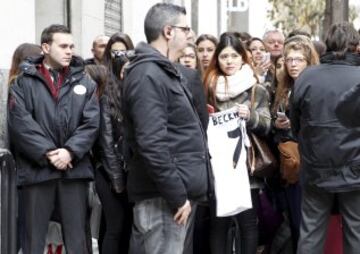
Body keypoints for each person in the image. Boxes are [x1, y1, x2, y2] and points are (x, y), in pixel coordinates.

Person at [122, 3, 210, 254]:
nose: (190, 35)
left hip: (169, 195)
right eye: (186, 29)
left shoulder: (162, 71)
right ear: (169, 31)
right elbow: (152, 142)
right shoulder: (148, 74)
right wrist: (177, 195)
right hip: (163, 199)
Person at [8, 24, 100, 254]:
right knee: (33, 242)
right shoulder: (23, 82)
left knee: (77, 241)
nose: (69, 51)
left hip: (73, 172)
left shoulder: (86, 83)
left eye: (72, 46)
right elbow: (21, 124)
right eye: (63, 46)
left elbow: (91, 124)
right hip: (37, 173)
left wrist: (69, 151)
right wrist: (50, 153)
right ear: (46, 47)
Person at [290, 22, 360, 254]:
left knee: (310, 232)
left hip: (315, 168)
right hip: (356, 171)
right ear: (355, 46)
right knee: (356, 232)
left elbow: (295, 125)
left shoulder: (307, 77)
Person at [204, 32, 271, 254]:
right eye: (224, 56)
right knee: (219, 222)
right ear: (217, 59)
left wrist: (250, 116)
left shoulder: (256, 89)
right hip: (218, 167)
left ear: (243, 57)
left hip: (245, 167)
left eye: (234, 56)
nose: (229, 61)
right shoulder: (208, 87)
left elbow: (266, 125)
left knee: (247, 223)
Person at [272, 35, 319, 253]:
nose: (293, 64)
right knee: (293, 222)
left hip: (310, 165)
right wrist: (279, 125)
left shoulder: (315, 87)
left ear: (309, 61)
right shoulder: (284, 88)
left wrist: (292, 126)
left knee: (305, 227)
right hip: (288, 166)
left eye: (298, 59)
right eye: (289, 59)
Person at [92, 33, 135, 254]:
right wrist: (117, 178)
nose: (120, 57)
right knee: (114, 227)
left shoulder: (136, 84)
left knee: (128, 227)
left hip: (132, 170)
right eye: (115, 52)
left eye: (125, 51)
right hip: (108, 171)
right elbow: (106, 141)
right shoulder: (104, 88)